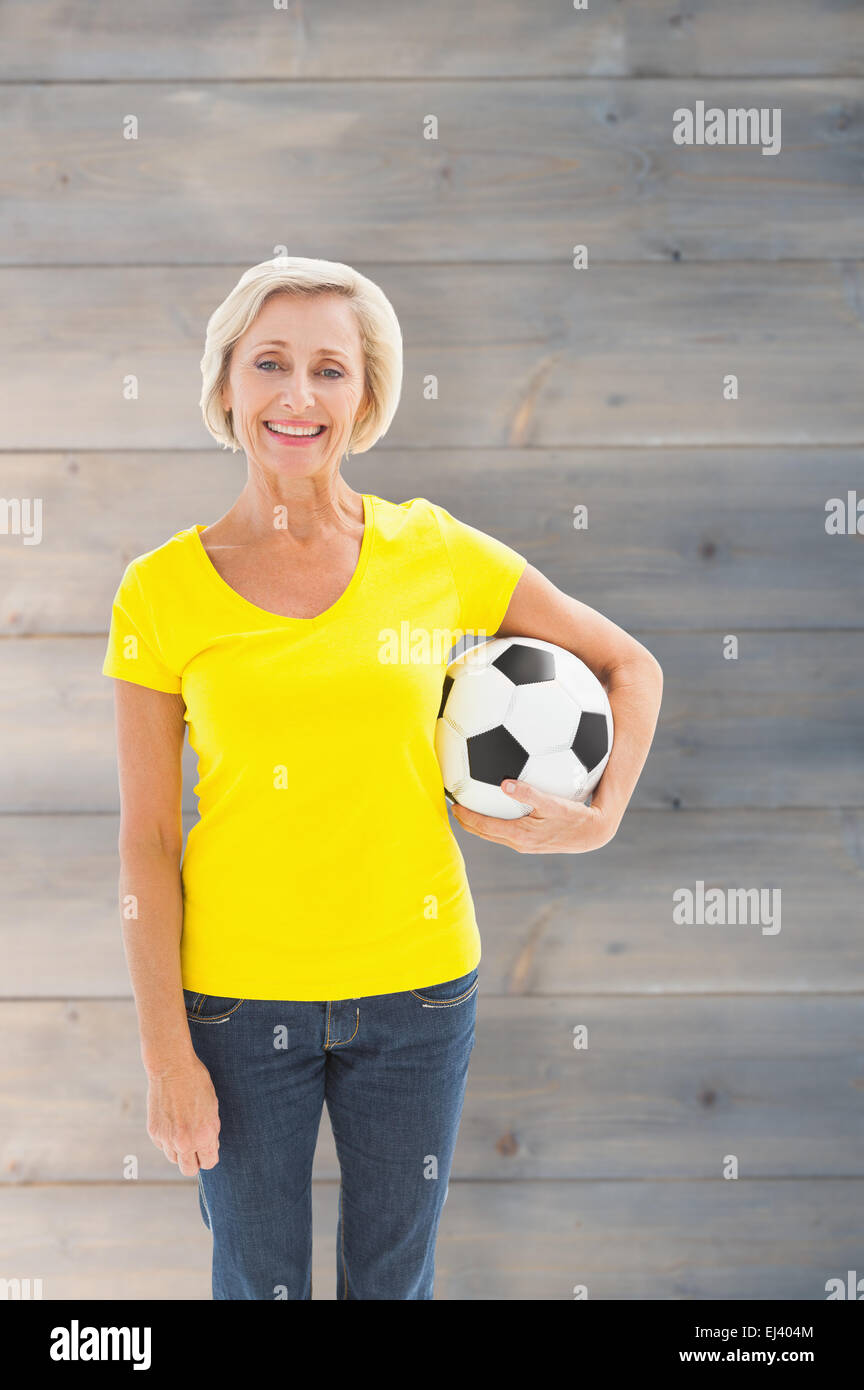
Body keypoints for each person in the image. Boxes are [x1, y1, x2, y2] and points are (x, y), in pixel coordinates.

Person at [102, 255, 663, 1300]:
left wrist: (598, 817)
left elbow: (633, 665)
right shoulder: (160, 592)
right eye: (271, 363)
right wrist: (166, 1055)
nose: (299, 395)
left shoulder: (435, 554)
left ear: (367, 399)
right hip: (234, 1007)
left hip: (418, 994)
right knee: (254, 1279)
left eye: (332, 369)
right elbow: (144, 844)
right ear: (228, 385)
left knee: (393, 1287)